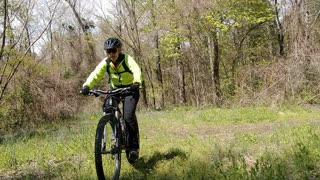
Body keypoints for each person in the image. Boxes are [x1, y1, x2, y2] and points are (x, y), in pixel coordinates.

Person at [81, 37, 143, 163]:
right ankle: (115, 131)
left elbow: (136, 70)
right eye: (108, 51)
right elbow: (96, 74)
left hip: (130, 90)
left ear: (119, 50)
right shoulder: (106, 62)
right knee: (108, 107)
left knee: (128, 116)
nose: (111, 54)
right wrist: (87, 86)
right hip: (115, 90)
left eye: (113, 51)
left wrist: (136, 82)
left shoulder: (127, 59)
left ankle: (133, 148)